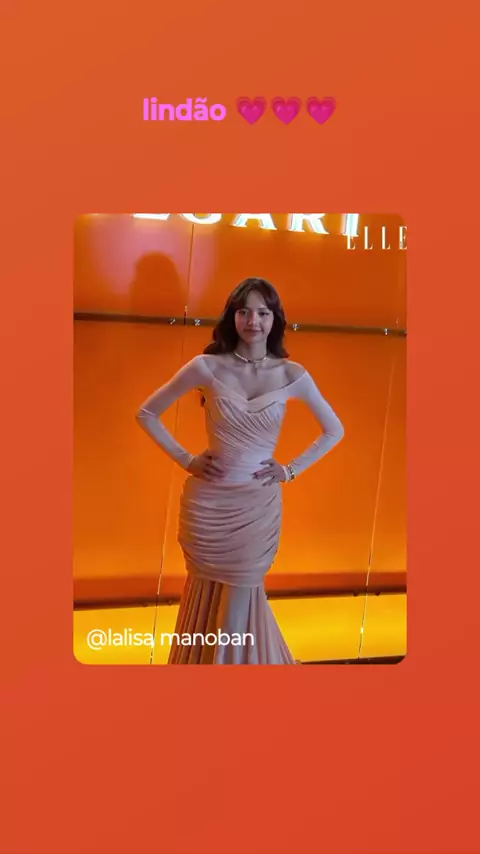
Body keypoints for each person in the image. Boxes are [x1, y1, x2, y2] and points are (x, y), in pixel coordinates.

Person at [136, 277, 345, 664]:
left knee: (239, 599)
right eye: (244, 311)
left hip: (255, 509)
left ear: (275, 319)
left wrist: (290, 470)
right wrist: (187, 459)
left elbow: (334, 430)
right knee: (206, 595)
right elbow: (147, 413)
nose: (253, 321)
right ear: (232, 317)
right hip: (209, 507)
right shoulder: (206, 367)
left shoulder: (291, 374)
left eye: (263, 313)